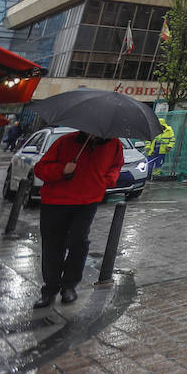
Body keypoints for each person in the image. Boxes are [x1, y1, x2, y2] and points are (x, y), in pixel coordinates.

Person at [31, 131, 123, 308]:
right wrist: (62, 169)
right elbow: (40, 169)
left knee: (78, 242)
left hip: (87, 201)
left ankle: (69, 286)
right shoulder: (66, 141)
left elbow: (116, 166)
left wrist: (107, 180)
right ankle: (50, 289)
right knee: (53, 245)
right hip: (56, 201)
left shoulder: (114, 144)